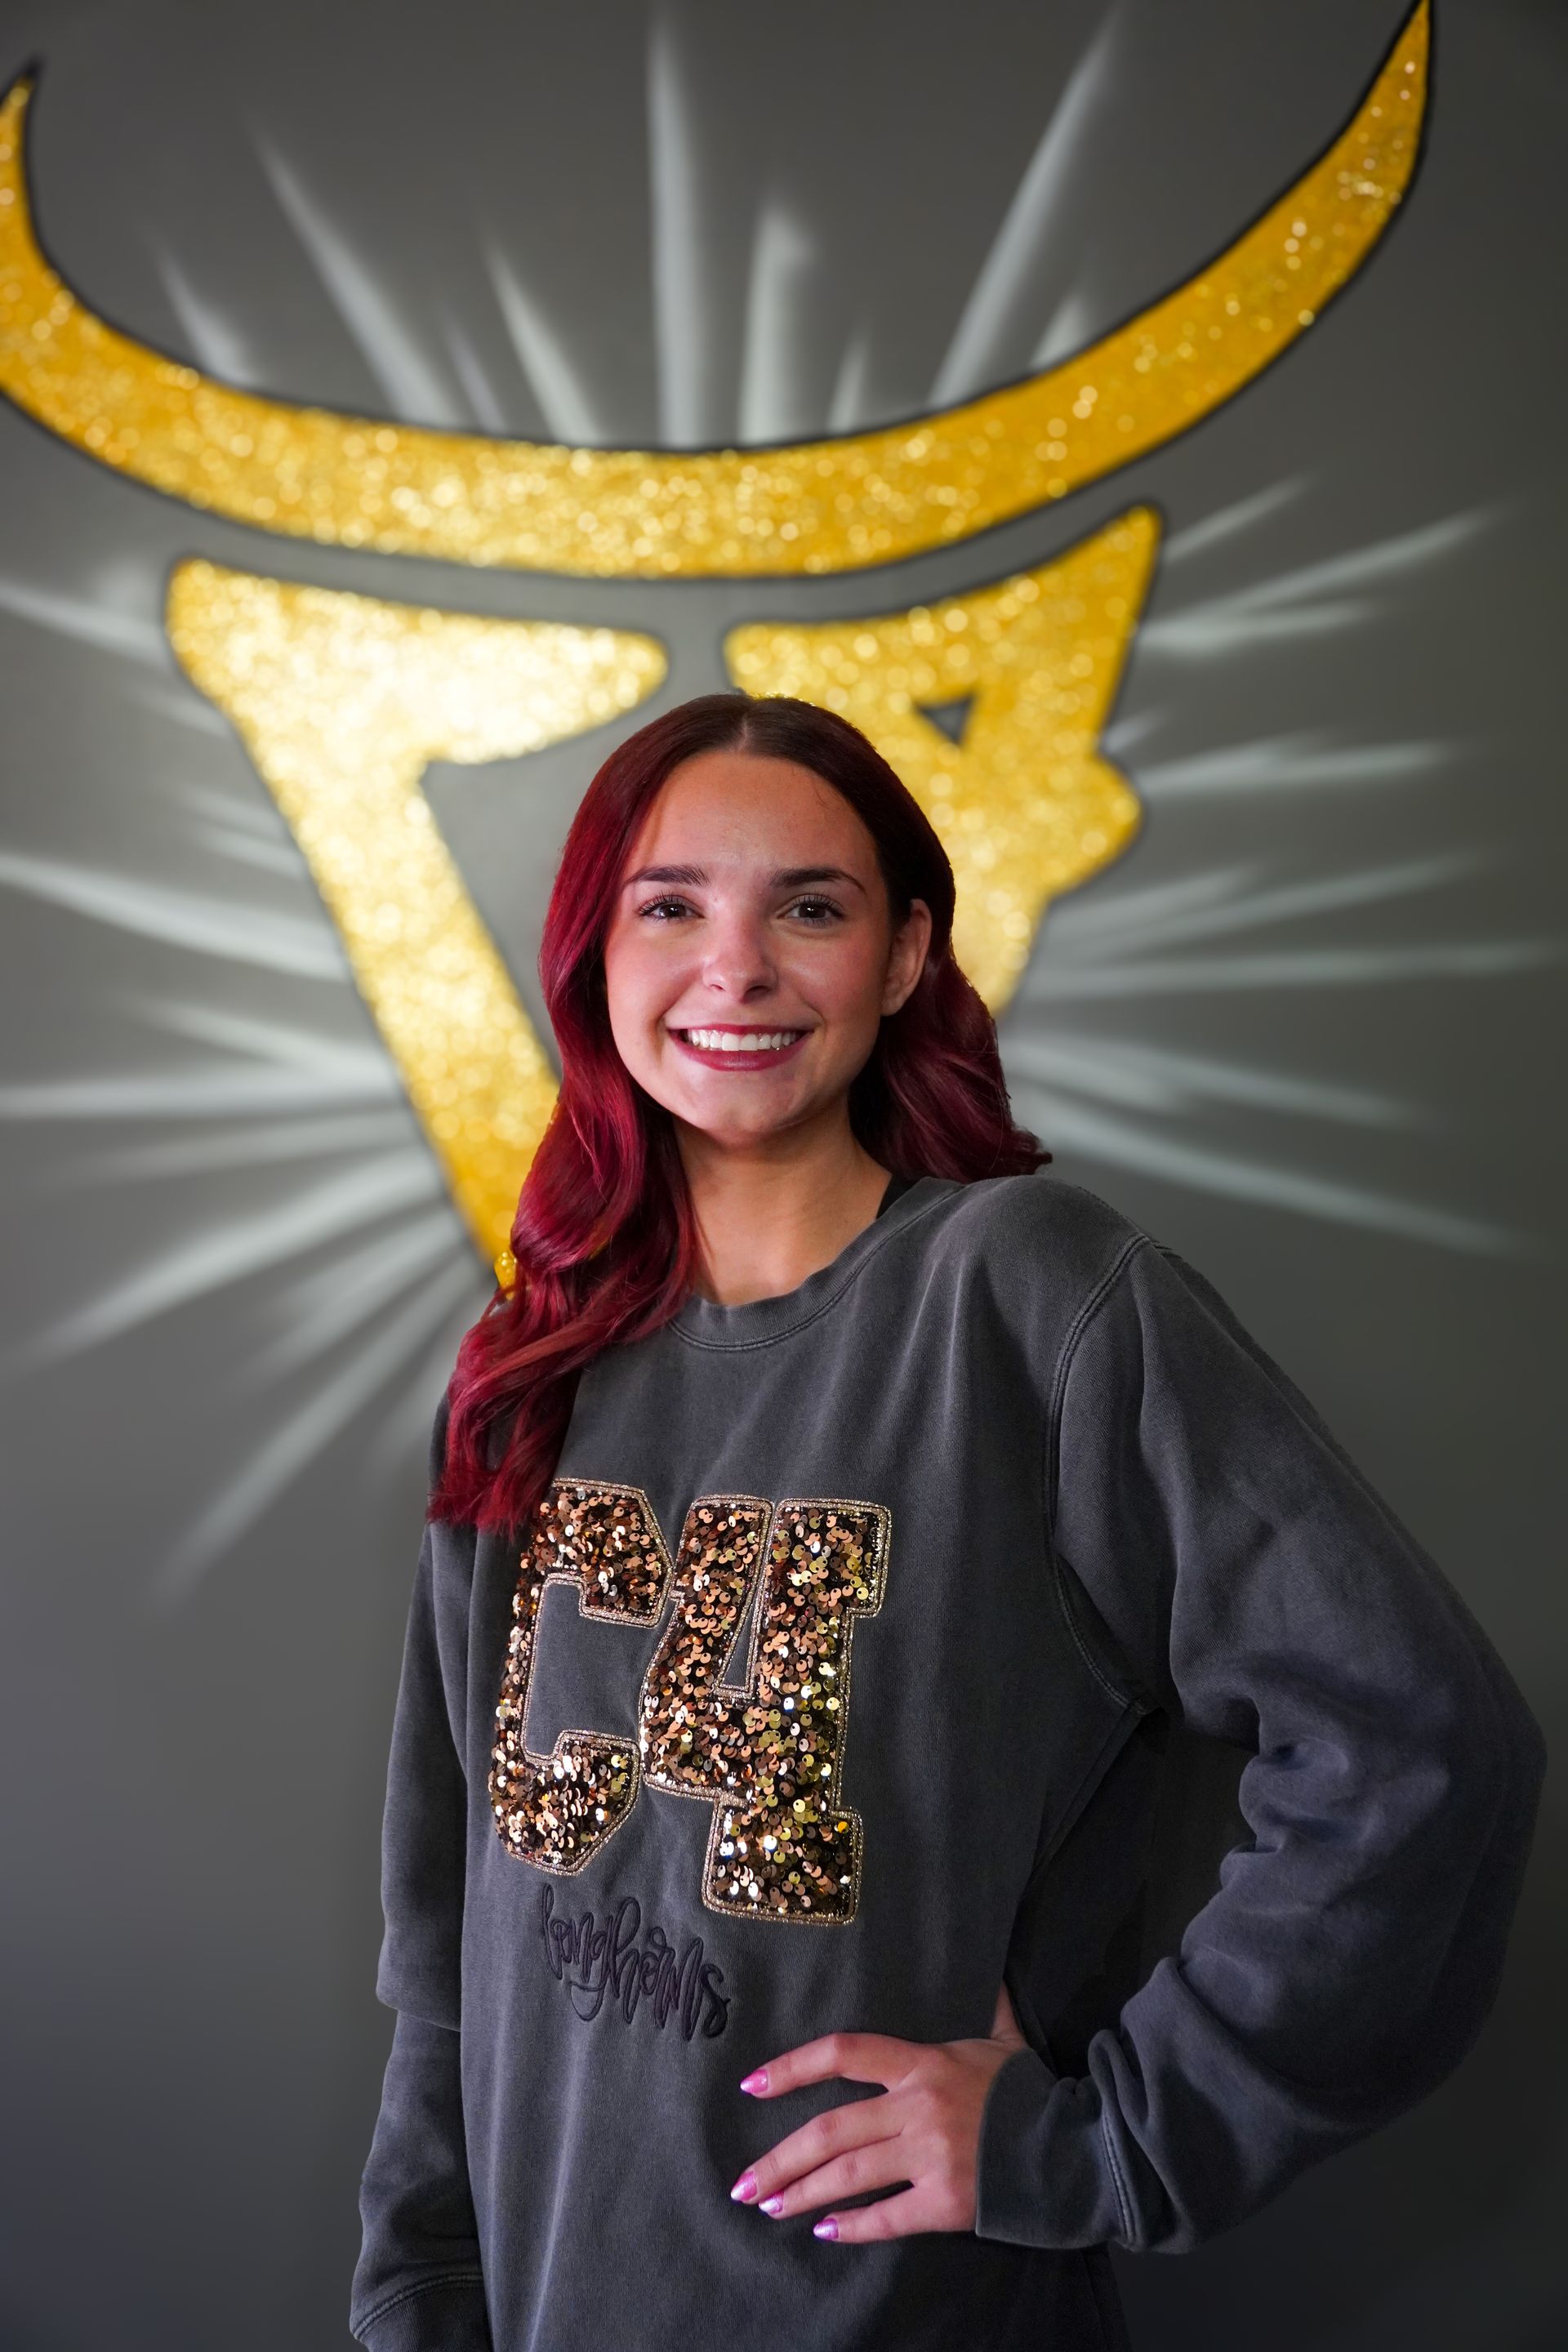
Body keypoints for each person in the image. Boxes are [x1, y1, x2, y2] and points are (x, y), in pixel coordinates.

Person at [349, 693, 1544, 2352]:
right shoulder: (527, 1369)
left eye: (812, 908)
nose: (737, 966)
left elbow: (1419, 1745)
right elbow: (444, 1917)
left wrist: (1112, 2135)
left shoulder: (1033, 1298)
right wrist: (420, 2293)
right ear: (593, 955)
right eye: (671, 905)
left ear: (909, 953)